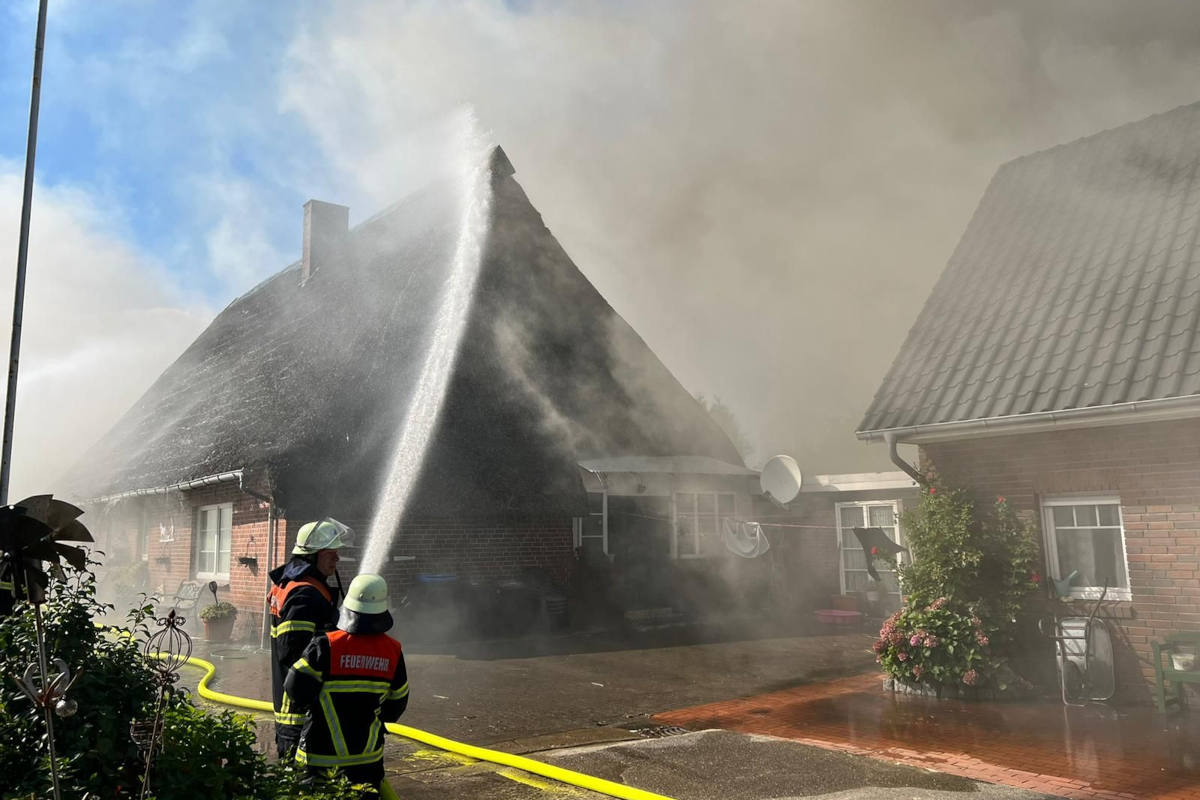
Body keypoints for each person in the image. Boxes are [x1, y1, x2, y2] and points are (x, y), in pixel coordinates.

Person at [284, 573, 409, 797]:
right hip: (367, 762)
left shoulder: (325, 646)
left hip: (319, 760)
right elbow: (395, 708)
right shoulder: (393, 651)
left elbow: (294, 689)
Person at [268, 517, 350, 758]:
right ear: (312, 556)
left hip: (300, 706)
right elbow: (294, 654)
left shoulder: (299, 585)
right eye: (330, 554)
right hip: (299, 712)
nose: (337, 559)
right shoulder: (303, 594)